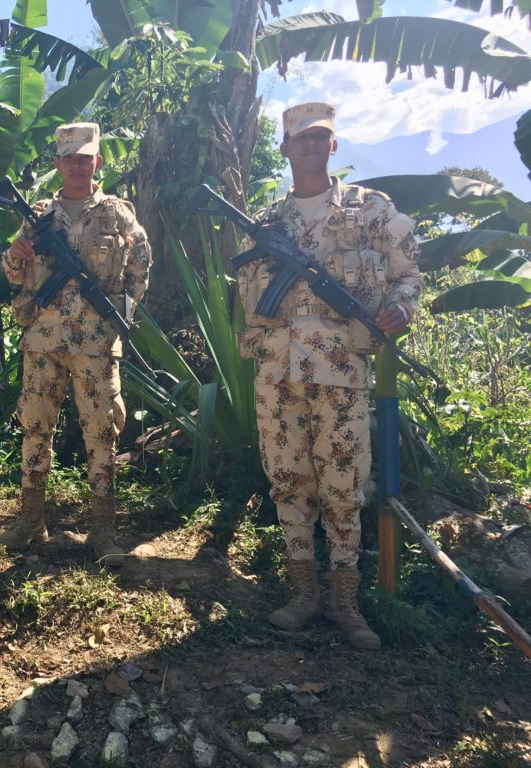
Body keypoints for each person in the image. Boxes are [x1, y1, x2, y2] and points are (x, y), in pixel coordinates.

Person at [236, 103, 421, 649]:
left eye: (321, 137)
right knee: (288, 479)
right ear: (286, 149)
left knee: (343, 481)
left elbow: (409, 272)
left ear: (333, 146)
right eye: (301, 138)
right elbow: (243, 292)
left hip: (341, 372)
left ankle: (345, 600)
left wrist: (401, 308)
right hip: (276, 372)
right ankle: (303, 593)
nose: (311, 145)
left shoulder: (372, 210)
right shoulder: (265, 222)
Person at [0, 122, 152, 566]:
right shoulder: (38, 215)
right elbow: (12, 272)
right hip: (42, 339)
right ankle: (31, 519)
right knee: (35, 426)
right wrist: (15, 255)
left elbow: (140, 270)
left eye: (86, 158)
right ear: (58, 164)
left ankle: (103, 530)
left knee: (102, 431)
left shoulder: (117, 215)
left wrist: (115, 314)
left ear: (97, 162)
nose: (78, 166)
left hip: (96, 343)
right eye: (69, 158)